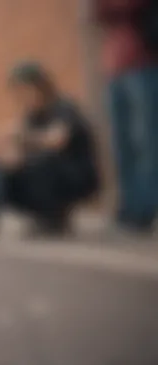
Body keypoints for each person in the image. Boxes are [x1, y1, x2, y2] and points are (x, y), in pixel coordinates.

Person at [0, 62, 99, 238]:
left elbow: (56, 140)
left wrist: (20, 136)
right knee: (0, 168)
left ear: (40, 87)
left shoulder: (63, 108)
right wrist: (7, 155)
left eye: (25, 91)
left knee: (42, 163)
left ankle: (53, 216)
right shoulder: (30, 117)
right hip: (44, 176)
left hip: (73, 176)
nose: (22, 98)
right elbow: (14, 148)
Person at [86, 0, 158, 233]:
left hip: (144, 64)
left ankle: (147, 209)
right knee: (121, 145)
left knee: (146, 142)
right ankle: (129, 209)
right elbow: (96, 14)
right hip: (115, 67)